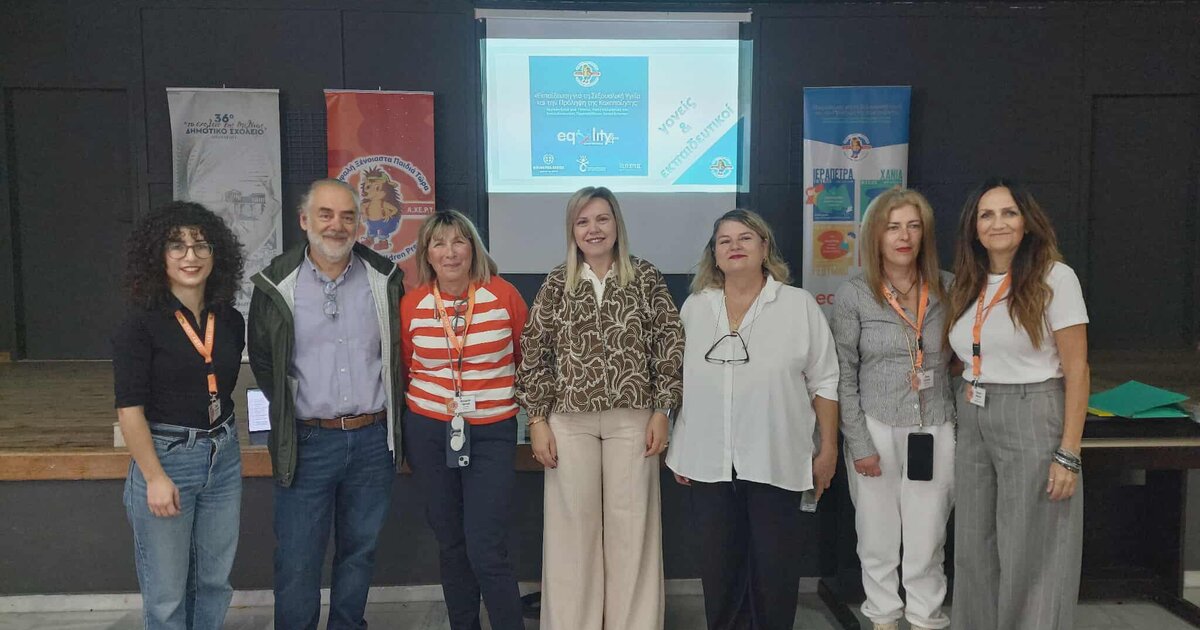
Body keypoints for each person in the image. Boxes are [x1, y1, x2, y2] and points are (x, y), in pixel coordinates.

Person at [516, 186, 683, 630]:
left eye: (602, 219)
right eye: (583, 221)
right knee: (573, 533)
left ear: (617, 224)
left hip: (634, 418)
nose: (594, 229)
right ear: (572, 230)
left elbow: (669, 344)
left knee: (633, 531)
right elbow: (534, 352)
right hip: (569, 422)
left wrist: (663, 409)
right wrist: (537, 420)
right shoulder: (557, 282)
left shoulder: (645, 277)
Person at [666, 209, 840, 630]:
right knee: (719, 572)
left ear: (764, 247)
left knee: (774, 572)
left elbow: (826, 381)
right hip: (707, 462)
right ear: (714, 254)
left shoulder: (797, 305)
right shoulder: (695, 307)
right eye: (724, 241)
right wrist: (680, 445)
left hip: (777, 458)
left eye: (745, 238)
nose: (735, 246)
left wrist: (829, 449)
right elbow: (678, 381)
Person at [247, 178, 405, 630]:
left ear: (359, 224)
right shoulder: (276, 283)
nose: (337, 225)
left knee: (359, 553)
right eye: (326, 214)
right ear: (304, 220)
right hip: (307, 441)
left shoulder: (384, 279)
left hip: (372, 439)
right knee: (298, 559)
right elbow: (264, 360)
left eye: (347, 216)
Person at [946, 177, 1089, 629]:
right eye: (986, 215)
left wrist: (1068, 453)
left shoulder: (1055, 278)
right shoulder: (969, 281)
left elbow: (1078, 369)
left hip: (1031, 411)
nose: (998, 223)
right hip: (973, 411)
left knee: (1031, 545)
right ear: (974, 227)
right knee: (974, 545)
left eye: (1009, 212)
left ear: (1027, 222)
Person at [113, 201, 246, 629]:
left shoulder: (230, 319)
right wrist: (154, 477)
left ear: (216, 254)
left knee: (214, 582)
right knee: (167, 595)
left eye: (201, 245)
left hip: (223, 456)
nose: (191, 256)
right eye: (177, 246)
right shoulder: (139, 325)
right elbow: (129, 410)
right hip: (167, 458)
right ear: (158, 255)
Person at [830, 189, 955, 630]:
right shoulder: (854, 294)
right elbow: (842, 374)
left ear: (925, 234)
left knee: (928, 537)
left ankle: (925, 619)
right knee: (877, 538)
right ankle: (883, 618)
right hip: (875, 427)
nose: (904, 236)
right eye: (893, 227)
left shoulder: (949, 287)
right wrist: (859, 442)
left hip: (934, 425)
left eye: (913, 226)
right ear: (875, 236)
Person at [400, 210, 527, 630]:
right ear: (427, 254)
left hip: (491, 432)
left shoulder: (504, 296)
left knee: (486, 546)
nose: (450, 252)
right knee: (451, 545)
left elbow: (524, 359)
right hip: (430, 432)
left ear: (473, 248)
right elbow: (407, 366)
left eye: (459, 241)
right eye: (439, 243)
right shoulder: (413, 304)